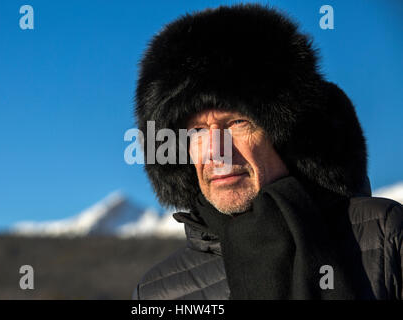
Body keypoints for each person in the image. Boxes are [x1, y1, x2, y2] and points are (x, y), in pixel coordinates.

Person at [132, 4, 402, 299]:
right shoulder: (157, 293)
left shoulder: (384, 236)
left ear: (286, 134)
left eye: (237, 122)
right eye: (197, 132)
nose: (215, 152)